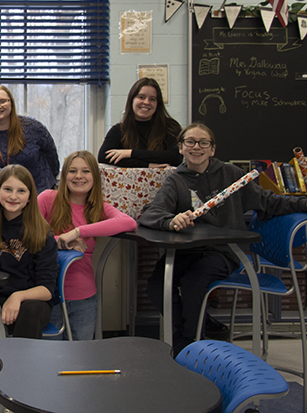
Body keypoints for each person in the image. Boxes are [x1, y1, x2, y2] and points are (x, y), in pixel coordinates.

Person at [138, 123, 307, 354]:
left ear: (212, 149)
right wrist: (171, 220)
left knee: (192, 285)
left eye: (203, 142)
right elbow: (151, 212)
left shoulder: (232, 175)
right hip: (187, 251)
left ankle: (188, 345)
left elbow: (270, 203)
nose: (196, 147)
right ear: (181, 148)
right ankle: (192, 330)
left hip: (223, 252)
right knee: (157, 286)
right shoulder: (175, 180)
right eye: (190, 142)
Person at [38, 150, 136, 340]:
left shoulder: (99, 208)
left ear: (95, 177)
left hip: (84, 298)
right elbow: (29, 237)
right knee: (49, 359)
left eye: (86, 171)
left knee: (80, 359)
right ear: (64, 175)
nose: (79, 176)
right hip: (49, 295)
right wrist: (62, 242)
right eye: (72, 171)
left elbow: (129, 223)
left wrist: (79, 231)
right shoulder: (48, 198)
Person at [0, 164, 58, 339]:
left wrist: (18, 297)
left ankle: (18, 366)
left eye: (21, 191)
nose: (13, 196)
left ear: (30, 196)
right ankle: (20, 365)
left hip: (34, 303)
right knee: (24, 314)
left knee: (29, 310)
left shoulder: (42, 233)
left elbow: (47, 289)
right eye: (8, 189)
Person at [0, 85, 59, 207]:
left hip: (37, 192)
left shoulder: (34, 128)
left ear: (11, 104)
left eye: (3, 101)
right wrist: (2, 175)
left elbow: (52, 160)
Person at [98, 78, 182, 168]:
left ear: (158, 104)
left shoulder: (171, 127)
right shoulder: (119, 130)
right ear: (132, 100)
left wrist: (130, 153)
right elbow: (104, 157)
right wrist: (147, 165)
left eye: (152, 99)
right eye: (141, 97)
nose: (146, 102)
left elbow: (175, 157)